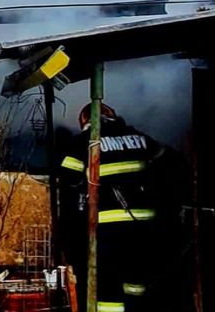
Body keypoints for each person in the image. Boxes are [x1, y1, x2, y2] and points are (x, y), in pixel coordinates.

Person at [57, 103, 170, 312]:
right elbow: (167, 162)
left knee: (107, 286)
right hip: (145, 228)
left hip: (108, 228)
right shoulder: (139, 138)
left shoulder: (86, 141)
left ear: (85, 121)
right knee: (136, 284)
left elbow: (68, 179)